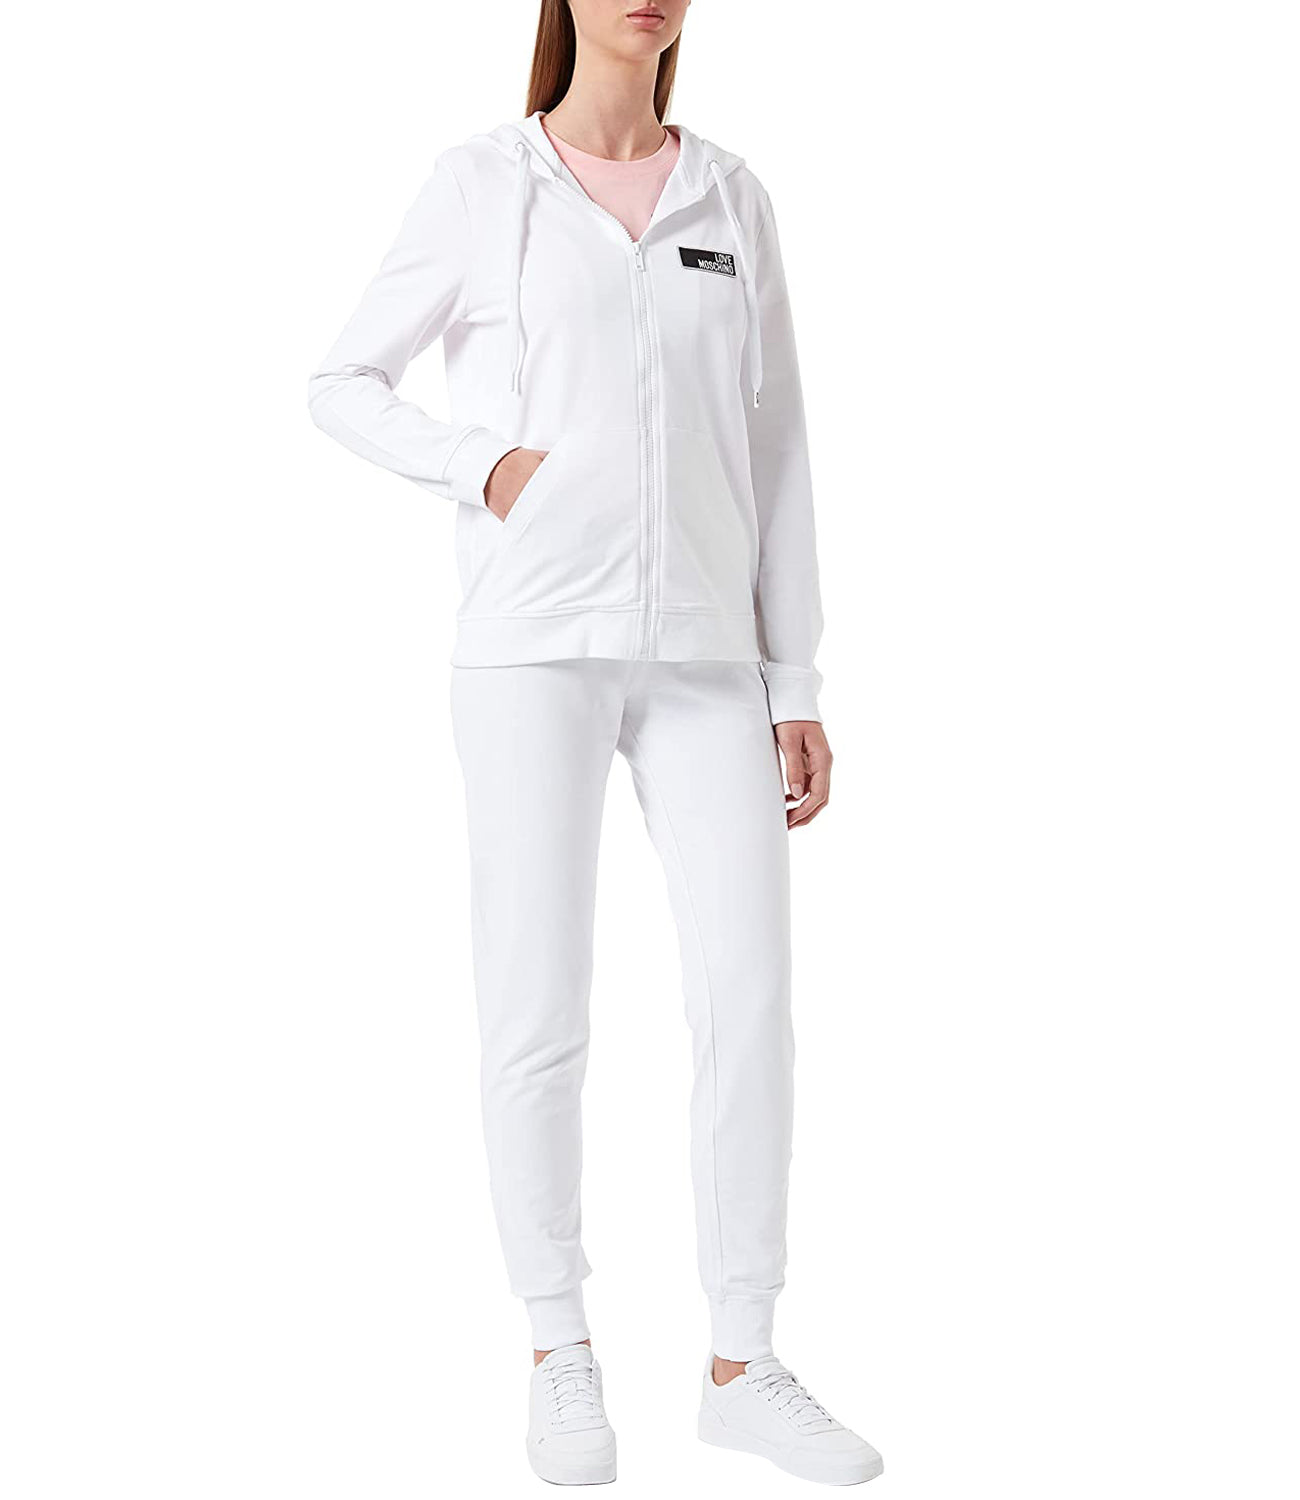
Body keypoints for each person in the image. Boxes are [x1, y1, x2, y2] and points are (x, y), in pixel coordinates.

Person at [309, 0, 881, 1485]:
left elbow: (779, 446)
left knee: (750, 996)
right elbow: (341, 384)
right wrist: (481, 466)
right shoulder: (481, 182)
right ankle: (558, 1346)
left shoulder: (730, 195)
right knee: (536, 1004)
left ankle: (742, 1358)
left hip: (706, 653)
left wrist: (796, 677)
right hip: (530, 648)